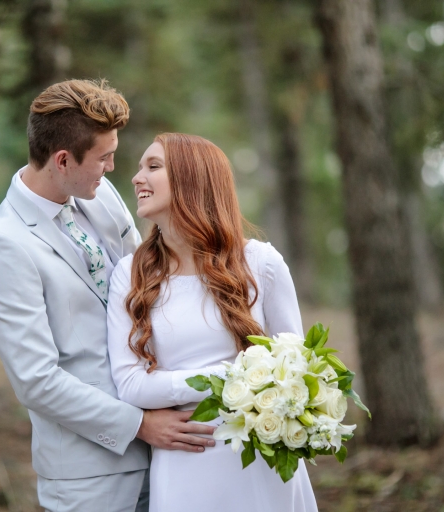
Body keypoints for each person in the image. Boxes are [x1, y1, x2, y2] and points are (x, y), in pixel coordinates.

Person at [0, 81, 217, 512]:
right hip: (93, 476)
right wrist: (140, 424)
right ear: (63, 160)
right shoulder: (1, 245)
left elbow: (145, 285)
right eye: (104, 158)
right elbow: (36, 380)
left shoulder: (99, 194)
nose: (113, 168)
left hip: (172, 458)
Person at [107, 133, 319, 512]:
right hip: (186, 458)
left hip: (261, 457)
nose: (137, 177)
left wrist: (194, 386)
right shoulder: (131, 273)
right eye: (140, 168)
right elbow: (131, 385)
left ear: (193, 179)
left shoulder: (261, 263)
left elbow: (296, 369)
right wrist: (232, 378)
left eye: (153, 167)